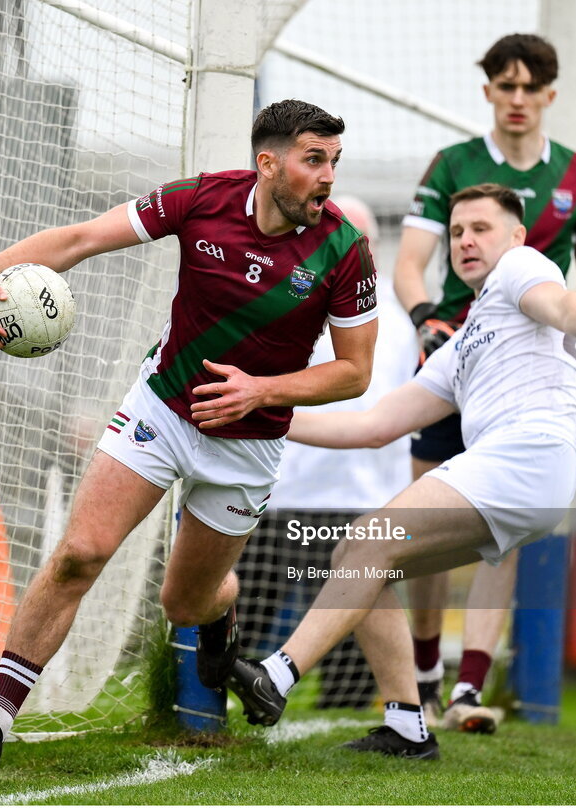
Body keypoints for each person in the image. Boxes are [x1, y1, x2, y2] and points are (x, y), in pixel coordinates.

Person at [0, 99, 379, 774]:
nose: (327, 177)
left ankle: (221, 615)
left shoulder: (346, 250)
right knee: (81, 553)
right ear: (269, 163)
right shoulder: (200, 199)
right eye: (314, 160)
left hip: (247, 444)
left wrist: (262, 390)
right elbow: (82, 238)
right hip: (162, 409)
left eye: (333, 162)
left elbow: (355, 373)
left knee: (186, 601)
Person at [227, 183, 576, 759]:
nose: (464, 240)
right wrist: (260, 407)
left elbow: (555, 303)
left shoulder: (521, 265)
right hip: (524, 479)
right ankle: (407, 726)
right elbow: (373, 425)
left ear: (514, 236)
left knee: (366, 539)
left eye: (479, 229)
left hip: (527, 456)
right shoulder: (459, 346)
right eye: (456, 232)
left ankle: (277, 676)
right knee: (360, 556)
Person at [391, 33, 576, 730]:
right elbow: (408, 265)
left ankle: (467, 690)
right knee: (422, 522)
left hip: (528, 367)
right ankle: (425, 674)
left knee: (506, 528)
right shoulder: (453, 165)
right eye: (504, 85)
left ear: (549, 95)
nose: (517, 99)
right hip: (452, 358)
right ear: (487, 91)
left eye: (530, 87)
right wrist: (429, 319)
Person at [234, 196, 416, 709]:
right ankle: (214, 705)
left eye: (351, 241)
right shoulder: (289, 301)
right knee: (243, 618)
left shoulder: (391, 326)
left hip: (359, 503)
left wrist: (268, 410)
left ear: (371, 252)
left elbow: (367, 414)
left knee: (350, 642)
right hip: (280, 497)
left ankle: (356, 718)